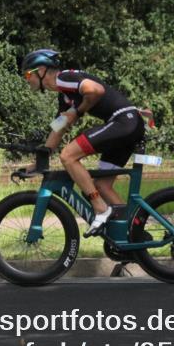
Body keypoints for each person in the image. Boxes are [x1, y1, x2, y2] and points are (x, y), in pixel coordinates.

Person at [21, 48, 147, 236]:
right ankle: (131, 234)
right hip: (128, 125)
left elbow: (96, 90)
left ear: (41, 70)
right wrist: (38, 161)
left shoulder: (64, 78)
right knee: (101, 185)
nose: (26, 79)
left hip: (124, 121)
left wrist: (78, 111)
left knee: (68, 155)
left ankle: (100, 208)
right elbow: (59, 127)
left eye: (27, 74)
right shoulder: (64, 95)